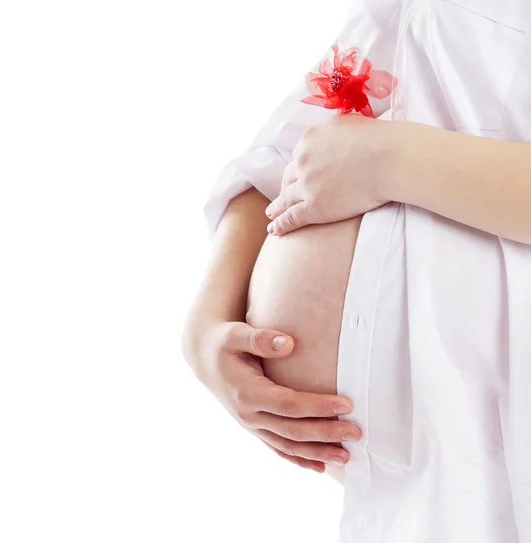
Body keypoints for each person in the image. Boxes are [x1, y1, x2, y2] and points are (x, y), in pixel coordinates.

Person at [182, 0, 531, 541]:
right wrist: (205, 326)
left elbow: (357, 156)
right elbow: (287, 152)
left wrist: (388, 161)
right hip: (412, 483)